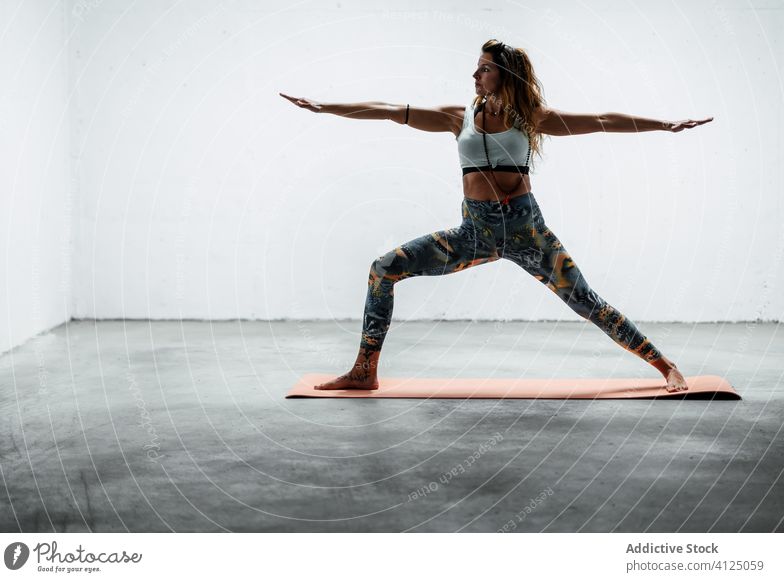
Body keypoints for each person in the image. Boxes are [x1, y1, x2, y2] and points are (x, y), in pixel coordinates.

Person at [279, 39, 713, 393]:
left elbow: (601, 120)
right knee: (383, 269)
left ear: (504, 74)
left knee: (587, 303)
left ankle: (666, 365)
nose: (474, 75)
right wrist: (326, 107)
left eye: (483, 68)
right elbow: (392, 111)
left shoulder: (531, 120)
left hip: (527, 231)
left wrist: (663, 124)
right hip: (475, 234)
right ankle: (363, 371)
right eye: (476, 68)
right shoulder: (458, 117)